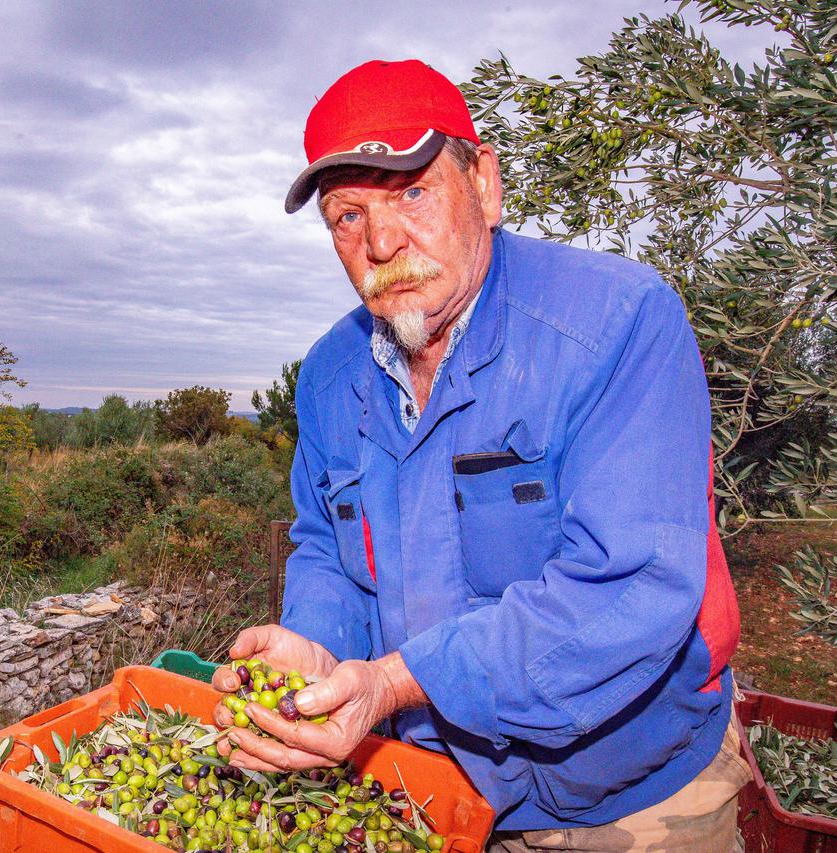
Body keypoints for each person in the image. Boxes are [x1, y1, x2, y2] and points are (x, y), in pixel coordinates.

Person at [212, 59, 749, 852]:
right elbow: (325, 544)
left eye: (412, 193)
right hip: (424, 790)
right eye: (347, 216)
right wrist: (317, 647)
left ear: (485, 185)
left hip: (624, 798)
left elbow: (630, 586)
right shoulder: (330, 376)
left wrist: (396, 681)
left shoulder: (619, 324)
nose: (383, 241)